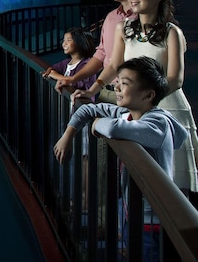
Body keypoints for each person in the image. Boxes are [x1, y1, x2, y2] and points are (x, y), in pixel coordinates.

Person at [74, 0, 198, 194]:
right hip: (138, 106)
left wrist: (146, 102)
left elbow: (175, 78)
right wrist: (91, 90)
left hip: (167, 105)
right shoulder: (124, 29)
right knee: (139, 172)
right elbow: (113, 65)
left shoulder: (172, 32)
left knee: (174, 179)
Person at [55, 56, 186, 261]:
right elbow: (89, 108)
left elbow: (113, 127)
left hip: (152, 220)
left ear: (148, 95)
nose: (115, 86)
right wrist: (68, 135)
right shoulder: (129, 113)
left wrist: (97, 124)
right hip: (132, 213)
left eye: (124, 83)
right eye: (118, 81)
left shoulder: (157, 124)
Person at [56, 0, 144, 104]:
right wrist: (73, 79)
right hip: (106, 91)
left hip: (133, 94)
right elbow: (101, 55)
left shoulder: (143, 19)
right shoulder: (111, 18)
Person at [42, 27, 97, 103]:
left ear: (80, 42)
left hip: (82, 105)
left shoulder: (86, 64)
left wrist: (57, 76)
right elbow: (52, 69)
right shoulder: (67, 62)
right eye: (64, 40)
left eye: (69, 40)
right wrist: (49, 72)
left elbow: (79, 84)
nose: (64, 43)